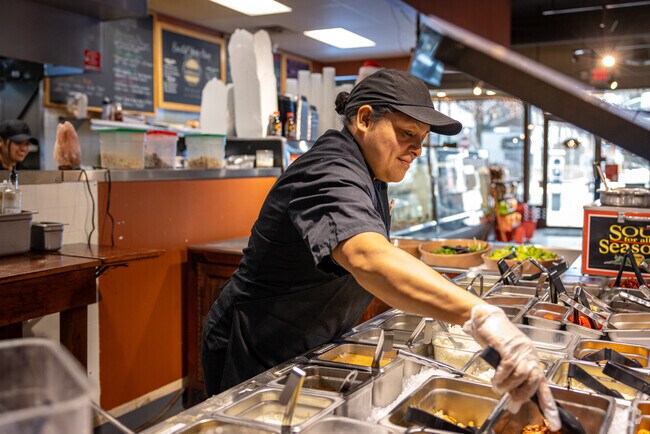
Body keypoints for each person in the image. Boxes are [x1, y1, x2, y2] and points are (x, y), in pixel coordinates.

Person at [202, 69, 561, 430]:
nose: (418, 150)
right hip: (257, 344)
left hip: (309, 339)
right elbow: (367, 256)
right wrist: (484, 317)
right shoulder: (328, 168)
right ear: (363, 119)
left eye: (422, 139)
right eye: (407, 134)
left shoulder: (369, 170)